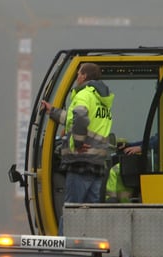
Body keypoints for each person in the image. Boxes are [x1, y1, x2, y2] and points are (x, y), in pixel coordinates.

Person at [41, 62, 115, 205]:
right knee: (91, 213)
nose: (77, 78)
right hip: (97, 163)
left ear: (84, 76)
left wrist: (78, 143)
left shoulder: (83, 94)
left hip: (81, 161)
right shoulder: (102, 101)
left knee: (72, 211)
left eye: (78, 75)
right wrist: (53, 111)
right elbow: (72, 118)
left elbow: (80, 117)